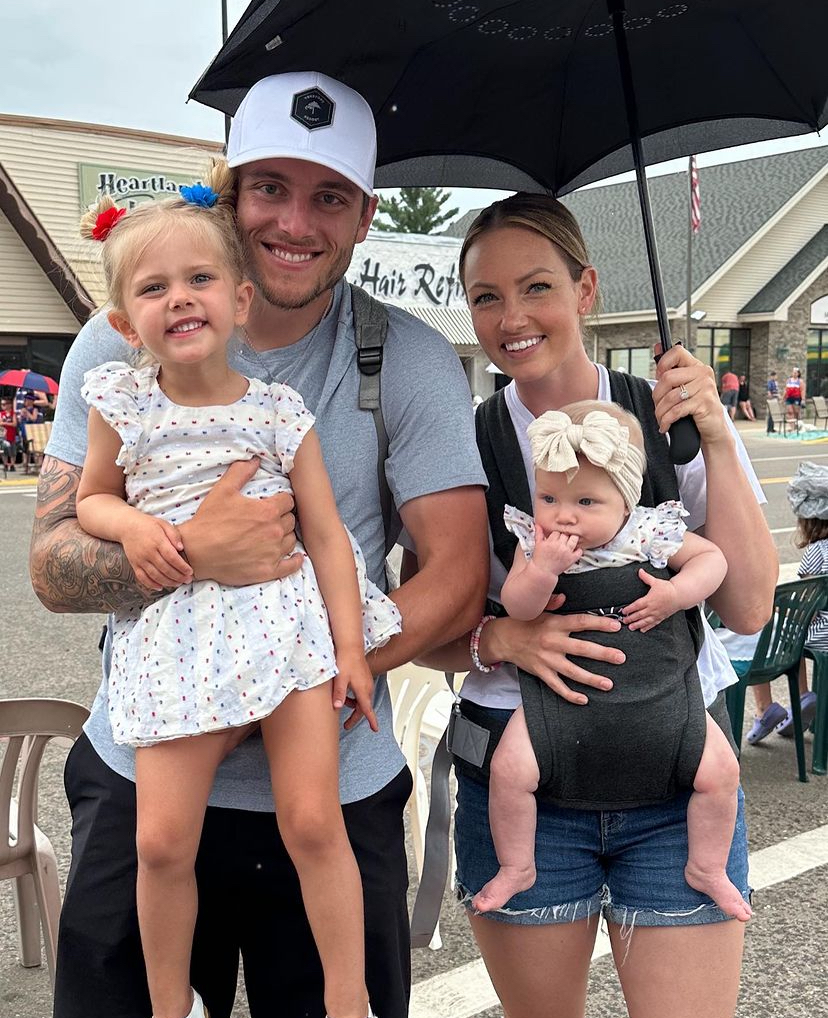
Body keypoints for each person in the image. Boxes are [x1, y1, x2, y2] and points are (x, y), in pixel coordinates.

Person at [29, 71, 488, 1018]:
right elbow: (51, 561)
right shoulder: (115, 350)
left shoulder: (406, 357)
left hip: (329, 771)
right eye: (269, 187)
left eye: (329, 196)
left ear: (364, 216)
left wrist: (300, 677)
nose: (295, 220)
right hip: (145, 760)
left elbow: (456, 573)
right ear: (229, 195)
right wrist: (197, 551)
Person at [418, 193, 775, 1018]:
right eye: (486, 296)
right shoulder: (468, 442)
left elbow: (750, 605)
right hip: (523, 788)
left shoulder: (666, 417)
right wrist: (503, 638)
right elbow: (426, 632)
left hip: (678, 774)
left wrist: (716, 433)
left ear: (585, 290)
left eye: (536, 286)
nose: (512, 317)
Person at [74, 177, 407, 1018]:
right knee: (159, 842)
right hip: (176, 636)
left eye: (199, 280)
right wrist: (141, 532)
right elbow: (91, 500)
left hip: (284, 628)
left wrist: (354, 651)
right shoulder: (121, 403)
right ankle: (166, 1001)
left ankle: (345, 999)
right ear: (123, 323)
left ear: (239, 297)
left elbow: (330, 537)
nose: (179, 298)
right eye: (153, 288)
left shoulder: (278, 411)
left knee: (312, 823)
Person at [472, 399, 749, 922]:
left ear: (626, 499)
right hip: (559, 707)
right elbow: (519, 606)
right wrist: (543, 571)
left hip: (663, 698)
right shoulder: (534, 540)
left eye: (586, 501)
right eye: (549, 496)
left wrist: (677, 594)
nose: (564, 514)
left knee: (721, 770)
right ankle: (517, 866)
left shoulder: (648, 531)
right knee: (510, 770)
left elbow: (713, 560)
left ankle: (708, 866)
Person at [746, 461, 824, 743]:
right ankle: (803, 696)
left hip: (820, 632)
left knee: (771, 623)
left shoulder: (816, 553)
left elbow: (809, 608)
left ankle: (766, 708)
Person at [0, 396, 16, 470]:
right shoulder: (1, 413)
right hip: (4, 435)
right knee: (4, 450)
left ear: (9, 404)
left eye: (5, 404)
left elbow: (14, 424)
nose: (3, 406)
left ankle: (12, 465)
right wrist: (8, 423)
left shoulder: (13, 413)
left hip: (11, 434)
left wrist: (5, 423)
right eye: (2, 404)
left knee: (12, 451)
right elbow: (0, 423)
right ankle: (5, 464)